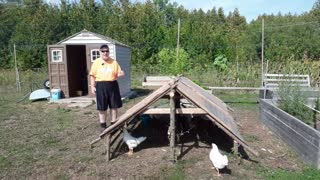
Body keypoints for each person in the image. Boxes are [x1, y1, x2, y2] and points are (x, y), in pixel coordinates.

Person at [89, 44, 125, 131]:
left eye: (107, 51)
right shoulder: (96, 62)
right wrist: (92, 87)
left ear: (109, 52)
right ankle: (103, 125)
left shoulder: (114, 62)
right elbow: (92, 76)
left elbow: (120, 72)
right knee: (102, 107)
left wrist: (121, 74)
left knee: (114, 105)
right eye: (103, 51)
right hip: (100, 86)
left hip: (112, 85)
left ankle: (114, 123)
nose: (105, 53)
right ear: (100, 52)